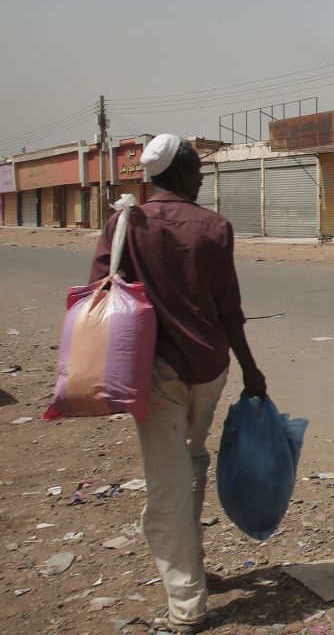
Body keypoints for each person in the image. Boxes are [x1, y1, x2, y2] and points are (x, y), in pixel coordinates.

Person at [89, 134, 266, 634]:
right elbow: (228, 308)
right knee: (189, 460)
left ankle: (187, 606)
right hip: (209, 369)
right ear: (183, 171)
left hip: (155, 370)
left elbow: (102, 292)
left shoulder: (124, 224)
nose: (204, 176)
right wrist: (251, 369)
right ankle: (194, 572)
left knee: (168, 481)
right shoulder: (214, 227)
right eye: (199, 168)